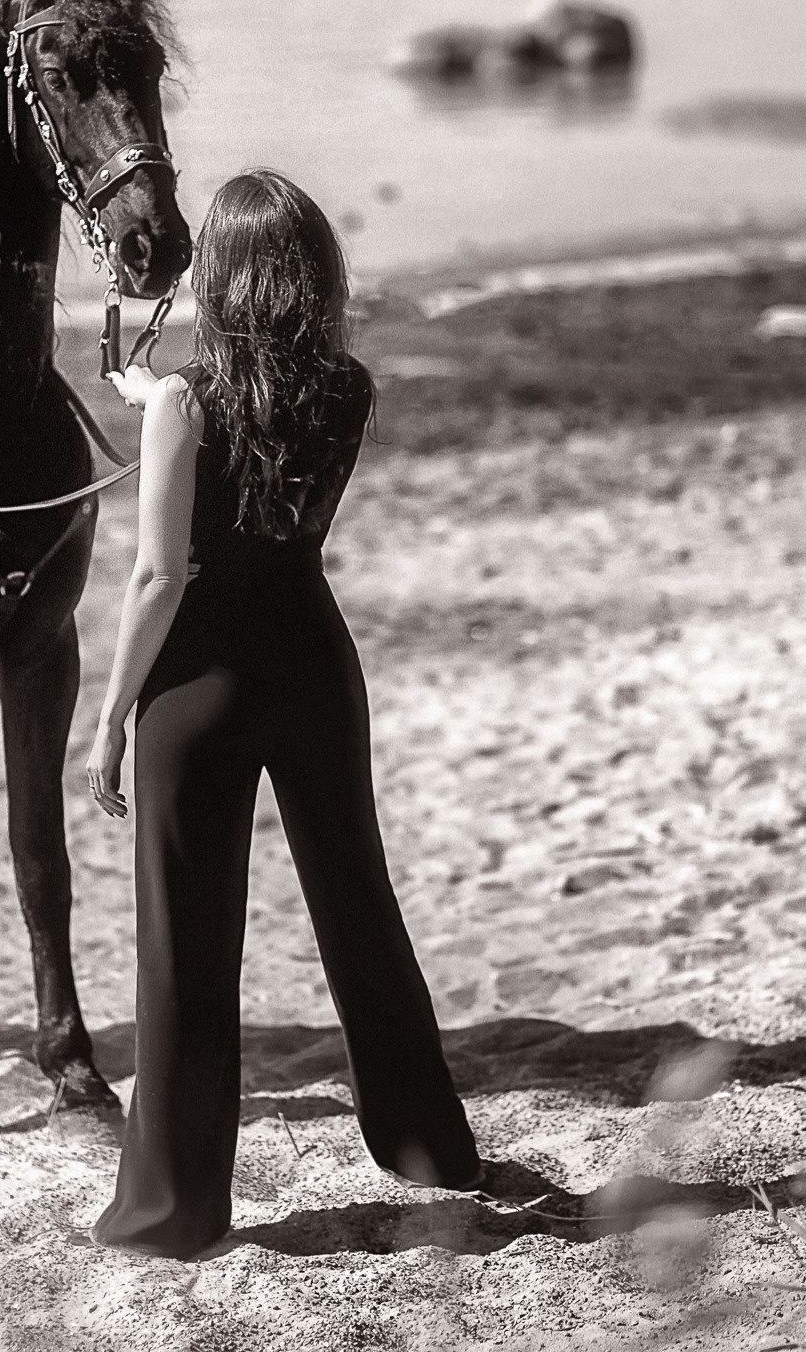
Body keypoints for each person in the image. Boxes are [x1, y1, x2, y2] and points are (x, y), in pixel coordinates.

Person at [82, 169, 483, 1260]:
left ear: (218, 275)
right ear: (314, 273)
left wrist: (110, 712)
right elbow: (252, 462)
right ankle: (431, 1147)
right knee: (358, 905)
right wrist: (146, 398)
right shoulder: (348, 389)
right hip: (311, 665)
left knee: (188, 946)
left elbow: (161, 576)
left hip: (197, 690)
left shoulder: (187, 403)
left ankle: (174, 1207)